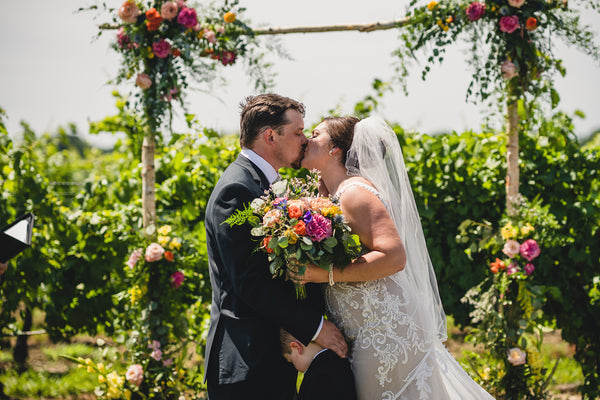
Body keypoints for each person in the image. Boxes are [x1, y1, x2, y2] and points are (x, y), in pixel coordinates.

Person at [296, 116, 495, 399]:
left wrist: (323, 274)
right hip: (362, 329)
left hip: (386, 330)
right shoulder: (331, 193)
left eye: (316, 134)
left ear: (335, 150)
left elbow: (394, 257)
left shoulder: (354, 194)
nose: (307, 140)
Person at [203, 94, 348, 400]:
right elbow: (249, 283)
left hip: (266, 360)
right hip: (246, 362)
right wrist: (316, 327)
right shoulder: (236, 188)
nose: (305, 140)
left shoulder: (263, 184)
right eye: (297, 132)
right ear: (270, 136)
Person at [280, 328, 357, 400]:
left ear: (297, 347)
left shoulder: (316, 379)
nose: (297, 369)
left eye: (292, 361)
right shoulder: (338, 360)